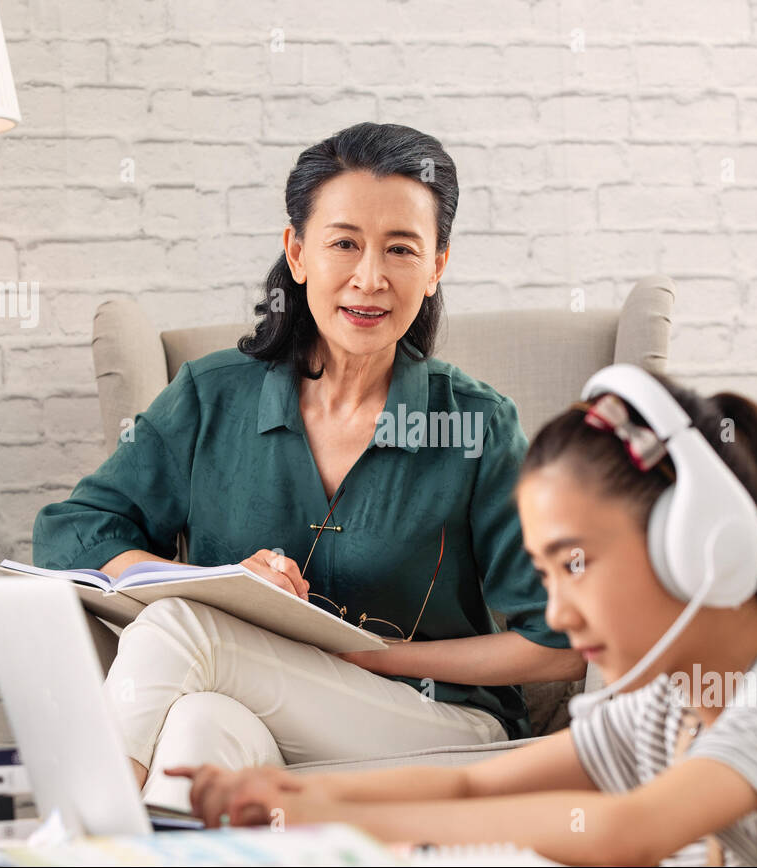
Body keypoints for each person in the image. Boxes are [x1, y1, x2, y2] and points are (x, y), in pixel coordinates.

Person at [166, 368, 757, 866]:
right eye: (542, 574)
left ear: (694, 546)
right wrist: (305, 802)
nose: (558, 614)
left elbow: (624, 831)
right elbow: (474, 790)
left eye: (574, 562)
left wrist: (350, 824)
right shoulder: (664, 711)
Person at [31, 122, 581, 810]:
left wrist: (380, 657)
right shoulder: (211, 395)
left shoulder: (476, 426)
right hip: (257, 708)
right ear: (297, 253)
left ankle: (73, 847)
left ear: (438, 263)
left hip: (437, 724)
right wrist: (216, 582)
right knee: (198, 729)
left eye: (401, 249)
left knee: (178, 630)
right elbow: (72, 534)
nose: (370, 277)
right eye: (344, 243)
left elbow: (559, 644)